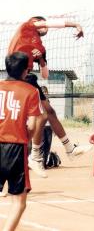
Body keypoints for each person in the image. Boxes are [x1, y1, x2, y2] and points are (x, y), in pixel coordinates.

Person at [8, 16, 90, 178]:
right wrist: (76, 24)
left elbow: (45, 75)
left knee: (49, 112)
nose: (46, 27)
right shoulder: (27, 27)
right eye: (42, 23)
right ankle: (36, 157)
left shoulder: (40, 47)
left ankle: (69, 149)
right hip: (16, 77)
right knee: (39, 117)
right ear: (35, 22)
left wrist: (42, 60)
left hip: (28, 77)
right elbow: (49, 23)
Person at [0, 51, 42, 231]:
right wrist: (28, 139)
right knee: (19, 202)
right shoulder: (31, 91)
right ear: (26, 71)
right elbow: (32, 125)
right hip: (15, 147)